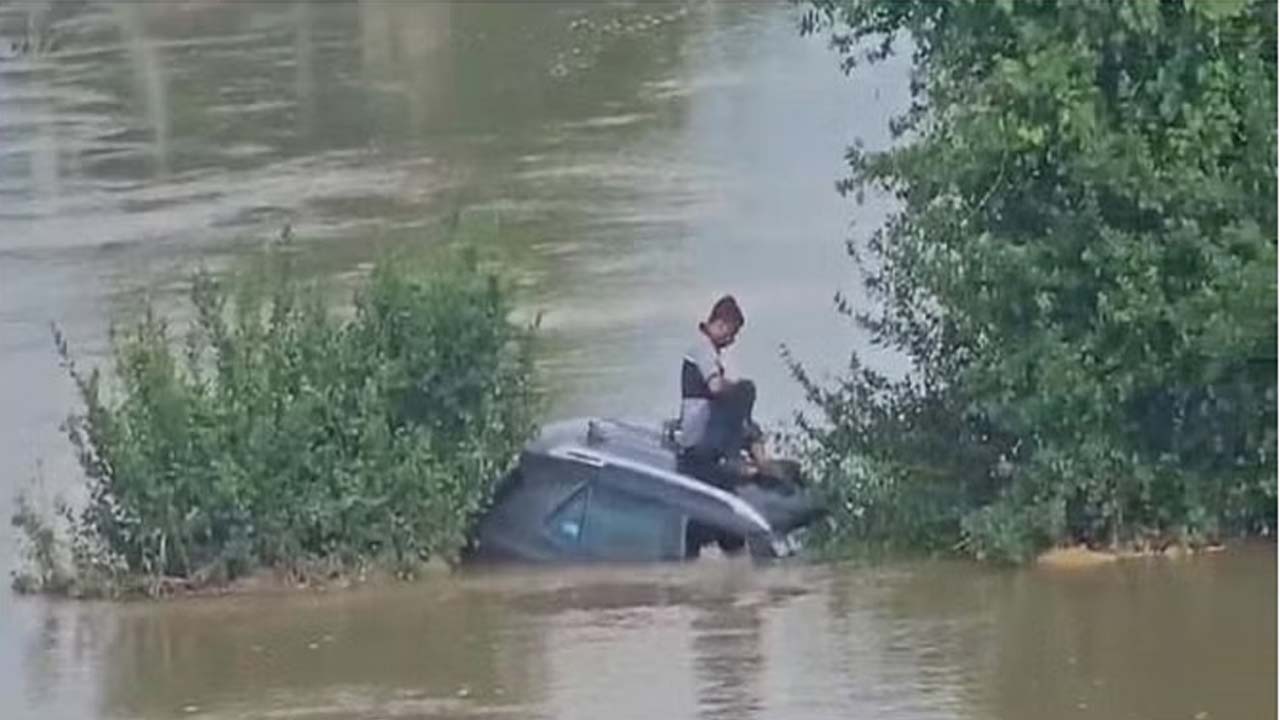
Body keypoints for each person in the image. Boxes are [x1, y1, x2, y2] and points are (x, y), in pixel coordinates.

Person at [676, 295, 767, 489]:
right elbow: (715, 387)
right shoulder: (704, 349)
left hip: (702, 424)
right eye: (731, 334)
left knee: (749, 426)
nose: (731, 341)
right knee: (745, 390)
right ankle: (734, 459)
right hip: (699, 432)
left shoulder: (702, 347)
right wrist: (737, 389)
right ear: (721, 324)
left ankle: (763, 465)